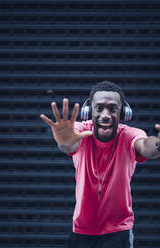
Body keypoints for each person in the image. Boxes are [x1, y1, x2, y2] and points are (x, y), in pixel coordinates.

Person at [40, 81, 160, 248]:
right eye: (99, 108)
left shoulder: (130, 134)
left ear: (123, 113)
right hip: (81, 230)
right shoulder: (81, 131)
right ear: (89, 111)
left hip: (118, 231)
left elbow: (146, 146)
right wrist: (64, 140)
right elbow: (69, 143)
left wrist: (157, 145)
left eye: (112, 109)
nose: (105, 115)